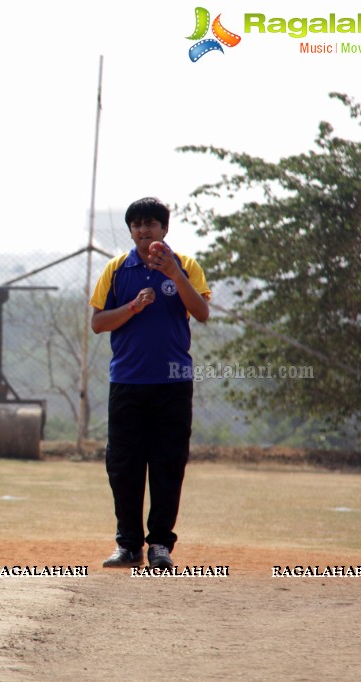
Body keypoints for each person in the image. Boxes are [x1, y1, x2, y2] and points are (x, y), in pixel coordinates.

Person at [89, 197, 210, 570]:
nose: (144, 230)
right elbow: (97, 323)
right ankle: (128, 545)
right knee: (123, 465)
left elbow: (202, 313)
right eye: (137, 224)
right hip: (127, 382)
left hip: (173, 383)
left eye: (152, 224)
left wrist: (174, 274)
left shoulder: (186, 266)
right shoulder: (116, 269)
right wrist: (132, 308)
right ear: (131, 230)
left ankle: (160, 545)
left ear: (165, 229)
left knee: (167, 464)